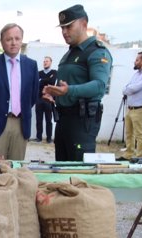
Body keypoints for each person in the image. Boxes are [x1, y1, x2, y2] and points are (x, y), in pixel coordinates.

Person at [42, 4, 112, 161]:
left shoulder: (96, 51)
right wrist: (55, 96)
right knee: (62, 170)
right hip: (63, 120)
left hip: (82, 122)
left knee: (78, 173)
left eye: (69, 26)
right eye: (62, 28)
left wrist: (68, 91)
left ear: (84, 24)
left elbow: (99, 86)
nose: (64, 32)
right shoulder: (69, 53)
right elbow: (68, 86)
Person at [0, 23, 39, 161]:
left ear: (22, 40)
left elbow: (33, 95)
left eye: (17, 38)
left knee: (17, 169)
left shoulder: (31, 65)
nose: (13, 42)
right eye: (9, 39)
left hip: (21, 124)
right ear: (2, 42)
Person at [119, 52, 142, 159]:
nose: (135, 62)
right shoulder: (136, 74)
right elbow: (126, 88)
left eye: (137, 60)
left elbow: (135, 88)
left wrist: (128, 89)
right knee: (129, 132)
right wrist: (128, 89)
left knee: (139, 134)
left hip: (141, 108)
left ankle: (140, 156)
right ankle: (129, 154)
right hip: (130, 108)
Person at [35, 56, 57, 143]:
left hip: (49, 99)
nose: (45, 63)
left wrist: (42, 81)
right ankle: (39, 138)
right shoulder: (39, 72)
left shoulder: (54, 72)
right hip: (39, 99)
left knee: (49, 120)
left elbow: (53, 81)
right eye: (44, 61)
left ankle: (49, 138)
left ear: (50, 62)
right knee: (38, 119)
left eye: (47, 61)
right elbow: (37, 83)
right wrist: (47, 80)